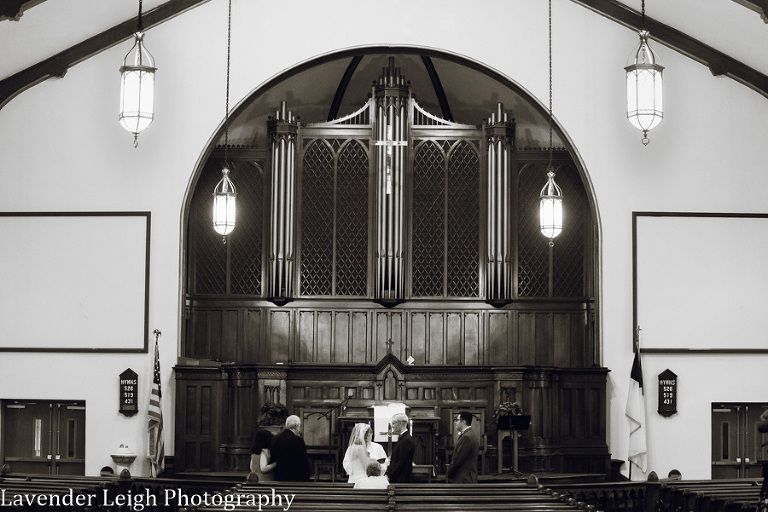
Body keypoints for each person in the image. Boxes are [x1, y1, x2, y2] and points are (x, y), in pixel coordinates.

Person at [270, 415, 311, 481]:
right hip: (295, 478)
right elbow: (303, 462)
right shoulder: (298, 440)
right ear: (296, 426)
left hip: (279, 477)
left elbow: (272, 458)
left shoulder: (274, 439)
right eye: (300, 426)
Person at [446, 411, 481, 483]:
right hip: (466, 477)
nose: (455, 422)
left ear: (463, 422)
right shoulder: (470, 434)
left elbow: (458, 459)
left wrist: (449, 473)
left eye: (457, 420)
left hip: (464, 478)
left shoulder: (466, 437)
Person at [385, 412, 416, 483]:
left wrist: (389, 476)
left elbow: (401, 463)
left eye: (393, 423)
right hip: (400, 477)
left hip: (401, 478)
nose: (392, 426)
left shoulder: (406, 440)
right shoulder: (404, 438)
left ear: (400, 424)